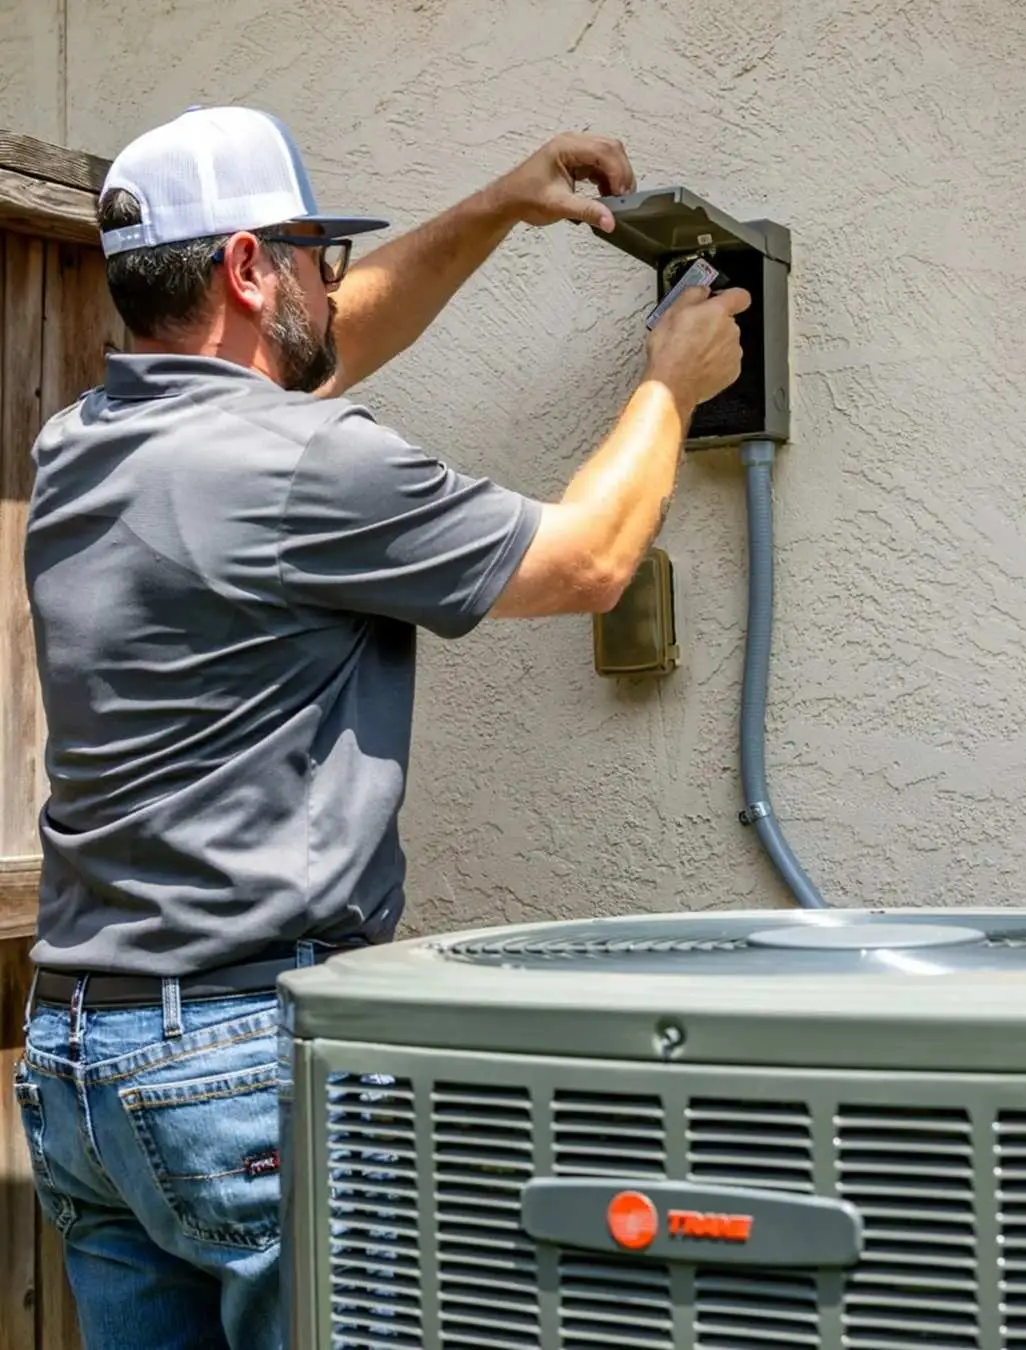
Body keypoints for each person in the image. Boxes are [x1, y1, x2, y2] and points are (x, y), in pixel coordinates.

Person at [15, 105, 749, 1350]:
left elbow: (317, 349)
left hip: (82, 1063)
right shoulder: (305, 466)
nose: (331, 282)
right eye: (314, 253)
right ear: (249, 270)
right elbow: (585, 562)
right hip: (236, 1069)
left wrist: (496, 208)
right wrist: (667, 389)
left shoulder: (82, 447)